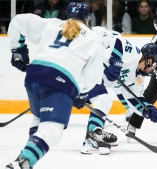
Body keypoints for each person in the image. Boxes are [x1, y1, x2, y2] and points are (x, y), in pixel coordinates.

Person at [5, 2, 106, 168]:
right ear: (87, 19)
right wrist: (82, 93)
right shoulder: (94, 37)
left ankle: (26, 159)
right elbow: (92, 75)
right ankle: (22, 163)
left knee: (39, 119)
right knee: (52, 130)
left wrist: (18, 49)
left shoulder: (51, 24)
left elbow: (18, 20)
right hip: (60, 80)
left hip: (34, 75)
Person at [81, 27, 157, 154]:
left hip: (94, 80)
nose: (151, 69)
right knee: (104, 100)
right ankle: (92, 134)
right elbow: (118, 40)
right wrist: (116, 61)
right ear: (150, 58)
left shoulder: (137, 78)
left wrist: (146, 109)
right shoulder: (134, 54)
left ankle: (95, 131)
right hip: (86, 71)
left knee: (103, 100)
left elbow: (134, 98)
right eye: (153, 65)